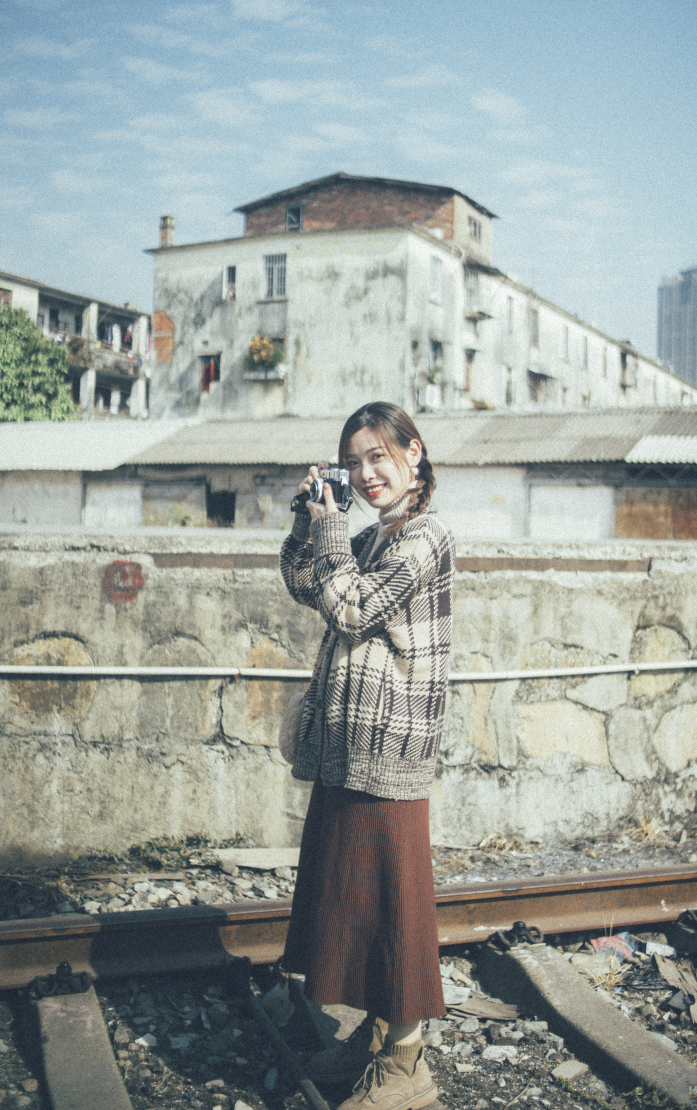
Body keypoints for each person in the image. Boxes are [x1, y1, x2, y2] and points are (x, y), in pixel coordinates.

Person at [279, 401, 455, 1110]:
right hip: (351, 744)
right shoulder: (373, 536)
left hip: (392, 746)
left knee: (393, 903)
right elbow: (307, 584)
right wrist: (309, 521)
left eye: (377, 456)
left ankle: (409, 1066)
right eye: (352, 463)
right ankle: (377, 1038)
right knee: (353, 896)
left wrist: (329, 535)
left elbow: (351, 608)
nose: (364, 473)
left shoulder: (426, 536)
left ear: (414, 452)